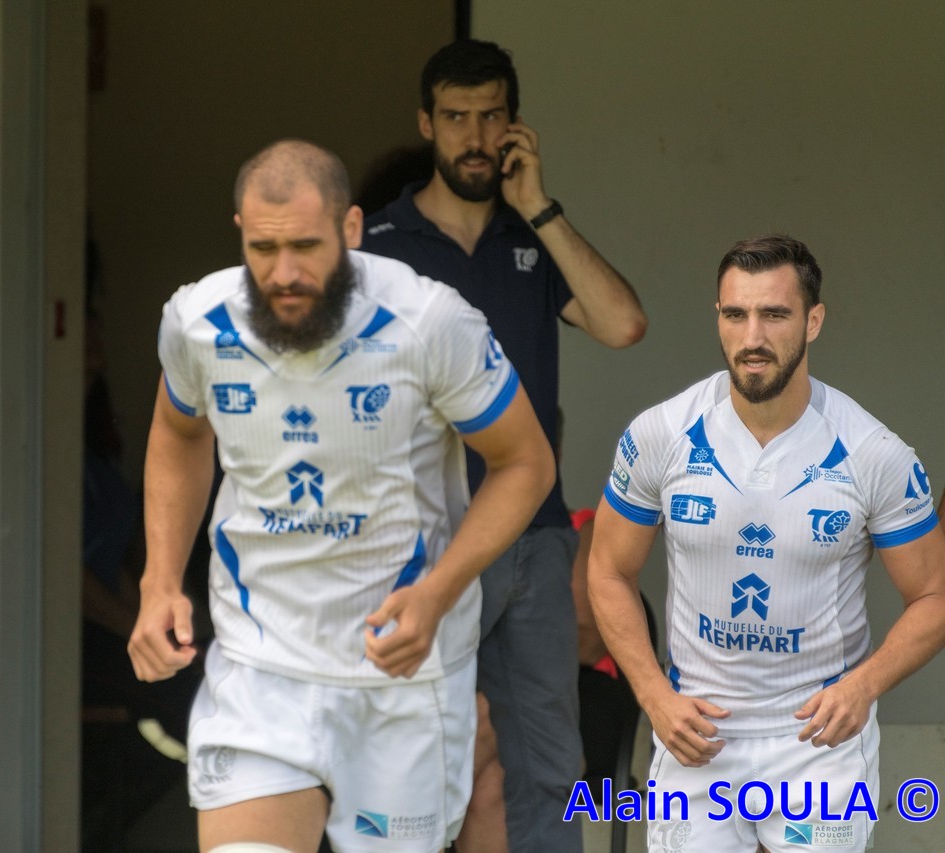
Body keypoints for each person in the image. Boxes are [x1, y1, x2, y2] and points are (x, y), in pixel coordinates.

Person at [127, 139, 556, 853]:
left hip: (400, 676)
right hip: (259, 667)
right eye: (263, 249)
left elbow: (526, 464)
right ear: (240, 231)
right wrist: (159, 581)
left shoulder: (430, 322)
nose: (284, 274)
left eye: (306, 246)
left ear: (351, 229)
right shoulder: (198, 320)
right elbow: (178, 432)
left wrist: (439, 592)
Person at [360, 39, 646, 853]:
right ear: (427, 124)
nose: (475, 136)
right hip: (425, 540)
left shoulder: (532, 238)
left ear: (515, 125)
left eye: (491, 117)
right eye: (456, 117)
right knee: (411, 765)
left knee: (549, 767)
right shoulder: (377, 245)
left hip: (536, 538)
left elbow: (624, 324)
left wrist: (541, 206)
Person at [589, 234, 945, 852]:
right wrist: (652, 695)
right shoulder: (661, 434)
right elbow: (607, 570)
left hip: (819, 740)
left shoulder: (873, 453)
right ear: (718, 319)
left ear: (814, 321)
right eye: (736, 314)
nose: (752, 337)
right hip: (694, 733)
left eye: (775, 314)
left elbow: (934, 596)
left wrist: (863, 687)